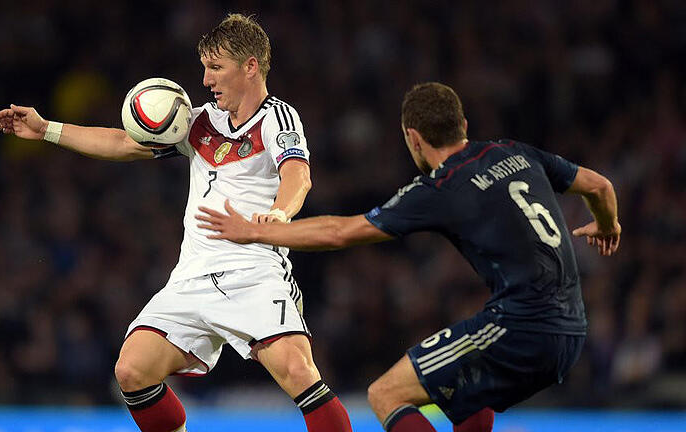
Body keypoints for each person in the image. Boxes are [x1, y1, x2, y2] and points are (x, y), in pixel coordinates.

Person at [0, 13, 352, 432]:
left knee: (297, 371)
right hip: (192, 278)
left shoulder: (278, 119)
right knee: (132, 370)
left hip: (253, 271)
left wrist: (279, 213)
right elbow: (124, 142)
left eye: (215, 67)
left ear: (250, 66)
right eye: (204, 68)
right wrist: (48, 129)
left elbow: (298, 175)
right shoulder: (198, 121)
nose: (205, 79)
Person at [197, 82, 621, 432]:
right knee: (468, 394)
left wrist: (256, 231)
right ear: (464, 125)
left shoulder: (442, 187)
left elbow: (339, 232)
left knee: (386, 395)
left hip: (523, 326)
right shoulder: (513, 152)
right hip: (573, 327)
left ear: (412, 138)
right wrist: (607, 225)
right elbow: (599, 186)